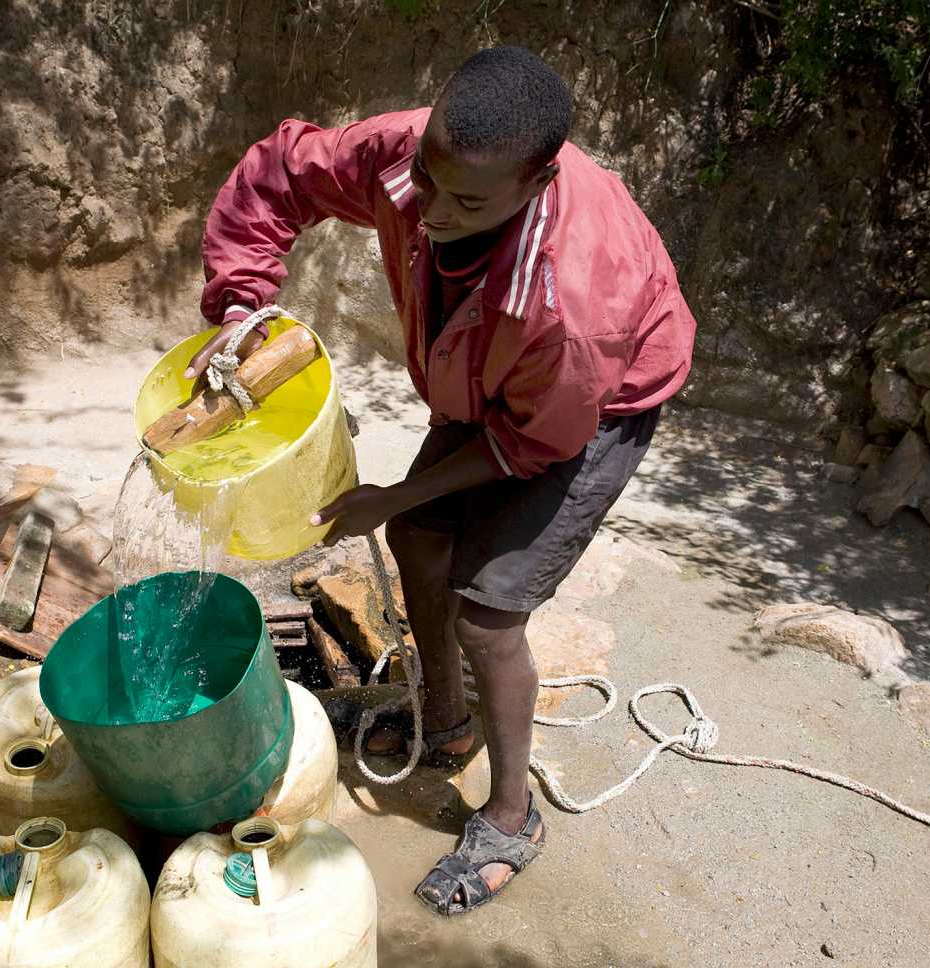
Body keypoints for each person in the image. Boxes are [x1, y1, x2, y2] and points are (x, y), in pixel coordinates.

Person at [189, 45, 696, 915]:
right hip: (484, 363)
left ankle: (509, 818)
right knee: (418, 538)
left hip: (590, 403)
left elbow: (530, 445)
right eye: (428, 179)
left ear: (536, 185)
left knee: (492, 611)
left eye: (465, 202)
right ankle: (445, 721)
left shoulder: (575, 306)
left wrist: (389, 491)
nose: (430, 213)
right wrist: (242, 309)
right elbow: (279, 176)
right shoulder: (416, 156)